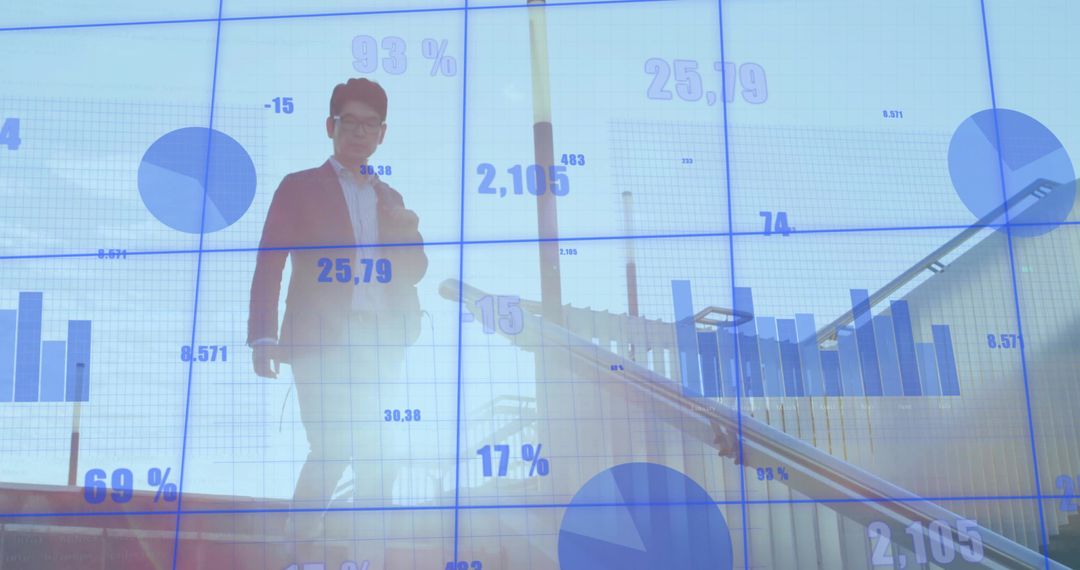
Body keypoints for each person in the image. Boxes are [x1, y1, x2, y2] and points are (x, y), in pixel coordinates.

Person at [247, 78, 427, 567]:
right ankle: (297, 554)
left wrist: (406, 229)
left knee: (380, 456)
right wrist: (263, 335)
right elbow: (270, 261)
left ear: (382, 133)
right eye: (350, 122)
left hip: (380, 342)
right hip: (320, 341)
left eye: (371, 125)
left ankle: (366, 560)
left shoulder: (390, 196)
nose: (360, 132)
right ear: (331, 126)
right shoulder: (300, 187)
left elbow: (413, 272)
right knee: (331, 446)